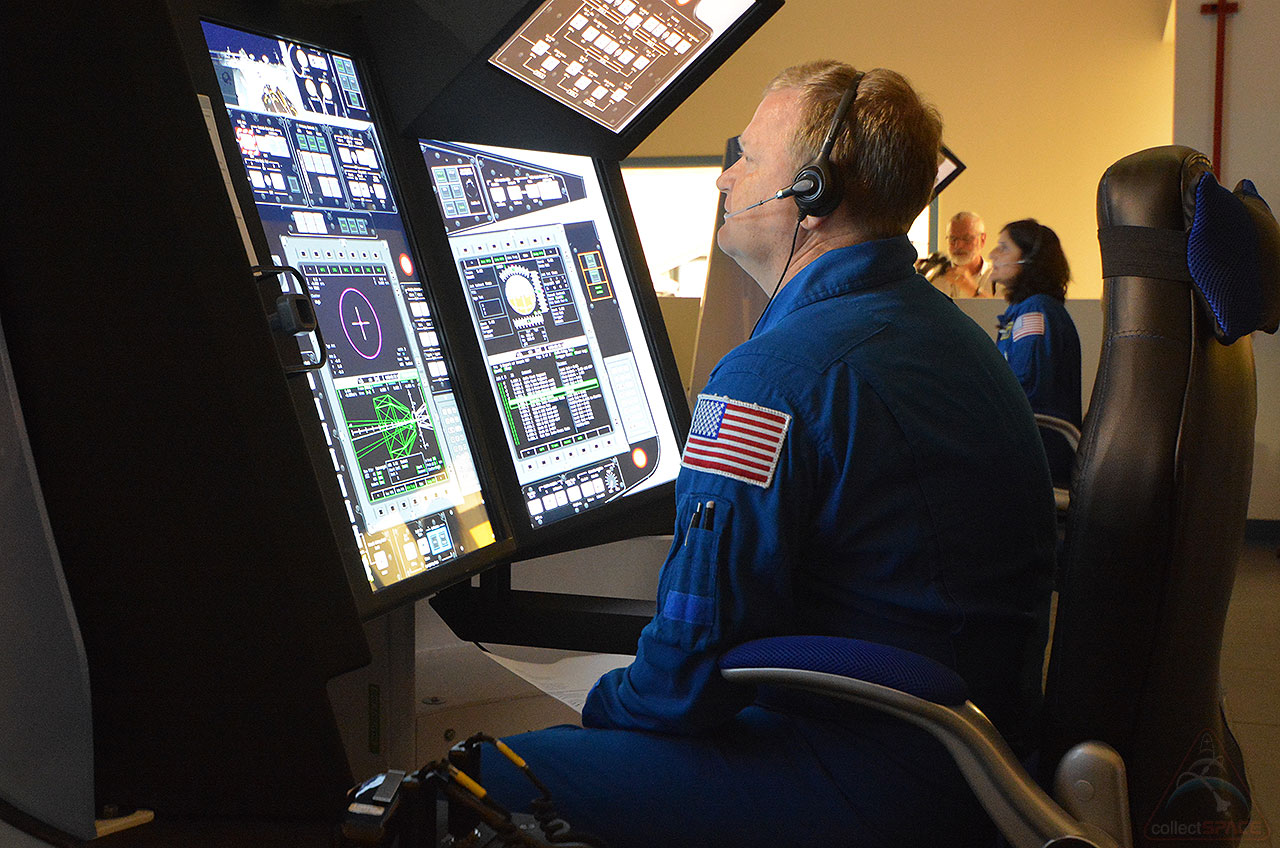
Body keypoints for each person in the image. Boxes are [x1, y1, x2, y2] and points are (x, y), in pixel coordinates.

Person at [478, 62, 1056, 848]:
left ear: (812, 192)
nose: (724, 177)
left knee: (482, 777)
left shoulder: (771, 378)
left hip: (878, 773)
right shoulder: (939, 329)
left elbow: (687, 670)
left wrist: (596, 713)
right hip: (976, 750)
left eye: (747, 156)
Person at [990, 219, 1082, 487]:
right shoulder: (1026, 311)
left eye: (1003, 248)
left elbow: (1026, 392)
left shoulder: (1035, 313)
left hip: (1037, 453)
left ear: (1030, 260)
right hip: (1028, 447)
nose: (993, 256)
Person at [917, 211, 1000, 298]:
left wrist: (972, 289)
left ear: (982, 240)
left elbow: (1005, 310)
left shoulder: (1000, 277)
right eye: (953, 239)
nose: (958, 245)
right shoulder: (934, 278)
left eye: (967, 238)